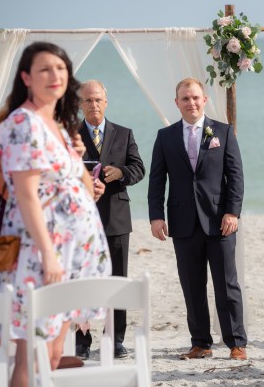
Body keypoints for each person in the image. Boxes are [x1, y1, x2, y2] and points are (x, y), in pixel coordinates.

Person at [0, 41, 112, 387]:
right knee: (31, 356)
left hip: (71, 252)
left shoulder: (58, 125)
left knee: (52, 355)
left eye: (61, 68)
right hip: (41, 253)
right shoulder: (25, 121)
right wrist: (48, 254)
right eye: (45, 69)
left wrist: (75, 152)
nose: (55, 75)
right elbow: (26, 194)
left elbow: (83, 186)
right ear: (26, 78)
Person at [148, 78, 247, 360]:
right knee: (192, 286)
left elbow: (236, 176)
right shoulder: (165, 137)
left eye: (195, 98)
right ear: (177, 103)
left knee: (226, 284)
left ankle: (236, 342)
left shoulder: (223, 132)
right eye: (185, 99)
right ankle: (201, 343)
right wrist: (156, 217)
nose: (191, 103)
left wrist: (232, 212)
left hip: (220, 221)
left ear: (204, 100)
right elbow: (157, 180)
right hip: (182, 222)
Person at [75, 80, 145, 359]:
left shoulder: (124, 134)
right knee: (83, 279)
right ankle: (81, 339)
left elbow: (139, 168)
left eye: (98, 100)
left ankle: (115, 338)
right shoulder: (71, 135)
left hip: (116, 217)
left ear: (106, 102)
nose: (93, 105)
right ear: (80, 104)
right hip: (81, 220)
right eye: (88, 100)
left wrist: (121, 173)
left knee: (117, 279)